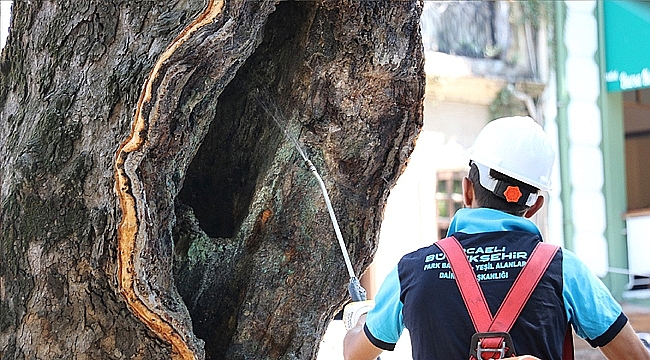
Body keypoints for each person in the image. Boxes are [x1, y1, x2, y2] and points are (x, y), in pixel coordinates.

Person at [343, 116, 650, 360]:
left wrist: (360, 321)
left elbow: (355, 354)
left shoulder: (410, 272)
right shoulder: (565, 270)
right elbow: (634, 356)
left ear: (466, 190)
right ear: (534, 206)